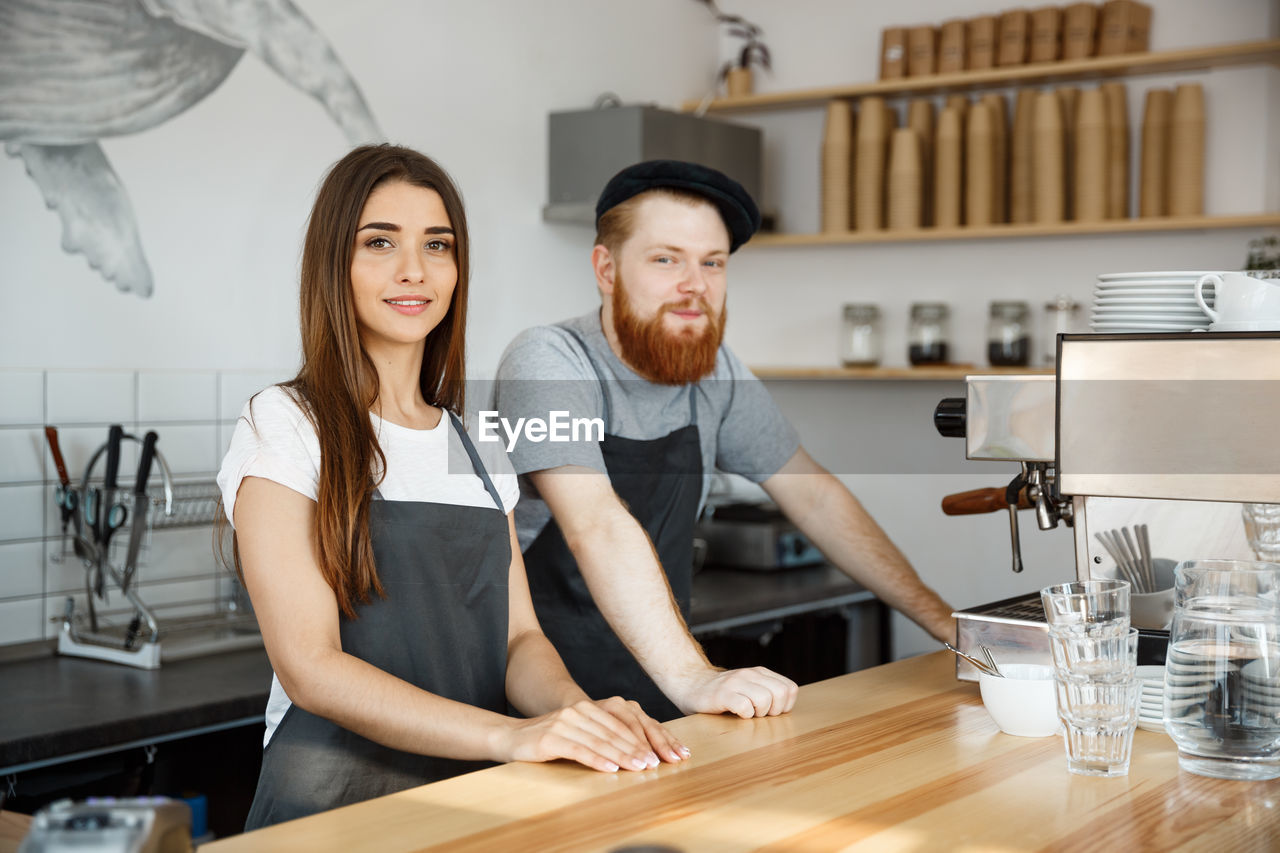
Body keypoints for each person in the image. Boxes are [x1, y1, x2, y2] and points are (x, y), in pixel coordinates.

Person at [217, 145, 685, 831]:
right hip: (329, 814)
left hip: (469, 806)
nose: (415, 270)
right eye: (380, 242)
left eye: (437, 245)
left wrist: (573, 714)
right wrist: (509, 737)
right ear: (333, 264)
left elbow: (520, 640)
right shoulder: (286, 424)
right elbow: (311, 667)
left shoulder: (476, 442)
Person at [492, 160, 956, 722]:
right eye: (666, 260)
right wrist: (697, 677)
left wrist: (950, 627)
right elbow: (595, 525)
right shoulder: (547, 361)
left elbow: (814, 497)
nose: (695, 286)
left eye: (712, 263)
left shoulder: (714, 376)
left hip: (656, 689)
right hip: (538, 699)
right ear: (606, 269)